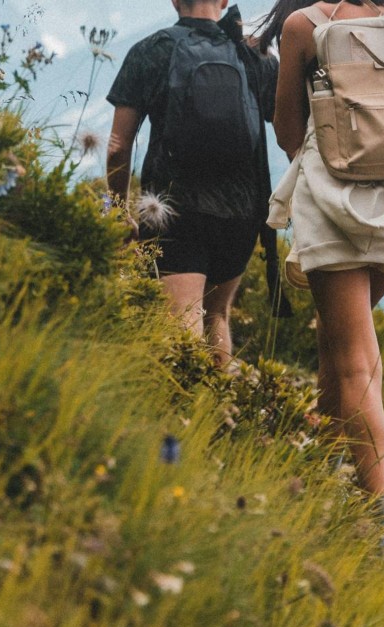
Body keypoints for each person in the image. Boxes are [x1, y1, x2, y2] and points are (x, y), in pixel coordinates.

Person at [261, 0, 384, 556]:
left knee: (353, 356)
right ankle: (327, 467)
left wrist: (324, 157)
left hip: (334, 203)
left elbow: (286, 124)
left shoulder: (304, 25)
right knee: (338, 340)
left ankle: (382, 521)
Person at [107, 0, 278, 367]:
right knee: (217, 315)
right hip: (241, 213)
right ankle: (219, 399)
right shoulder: (255, 55)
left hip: (173, 210)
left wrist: (118, 209)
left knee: (181, 321)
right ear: (223, 1)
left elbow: (118, 146)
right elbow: (292, 129)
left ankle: (183, 402)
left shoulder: (151, 50)